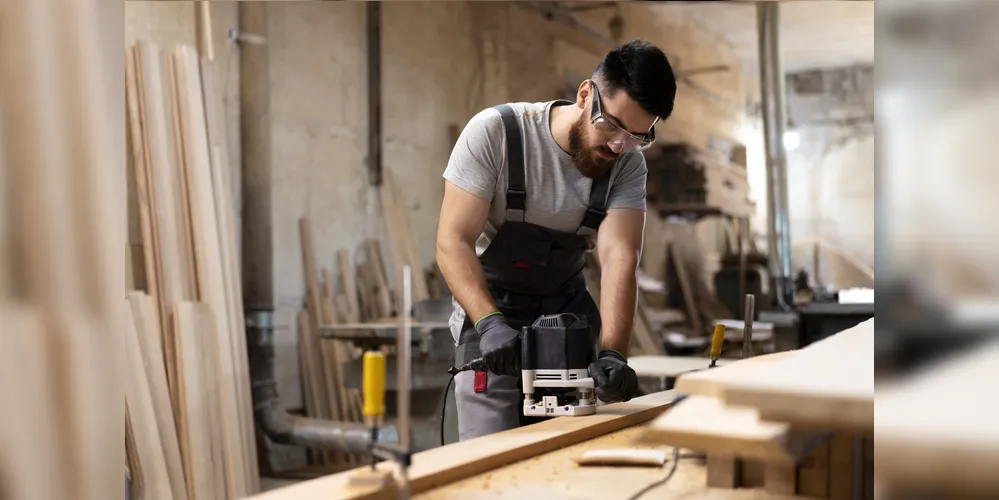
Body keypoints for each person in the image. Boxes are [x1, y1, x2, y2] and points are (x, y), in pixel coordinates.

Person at [435, 39, 677, 441]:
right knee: (487, 455)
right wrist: (490, 322)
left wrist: (614, 352)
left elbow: (620, 257)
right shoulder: (497, 134)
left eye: (638, 136)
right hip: (491, 315)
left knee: (568, 450)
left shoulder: (627, 164)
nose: (619, 146)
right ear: (586, 95)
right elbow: (453, 241)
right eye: (613, 126)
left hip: (566, 320)